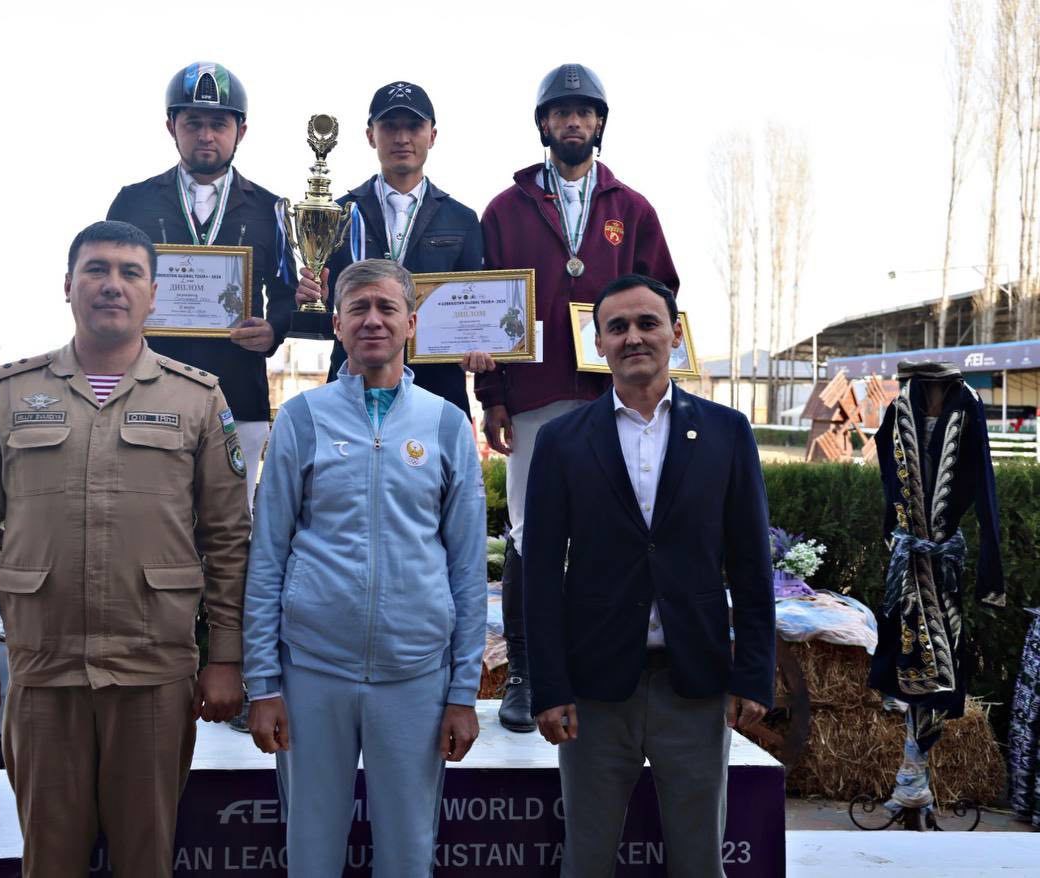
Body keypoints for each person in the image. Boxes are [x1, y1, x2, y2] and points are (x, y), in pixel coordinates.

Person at [0, 221, 250, 878]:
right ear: (68, 285)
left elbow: (228, 538)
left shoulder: (196, 397)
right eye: (97, 269)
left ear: (152, 294)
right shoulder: (11, 393)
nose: (113, 285)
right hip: (43, 671)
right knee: (50, 860)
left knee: (145, 860)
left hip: (153, 674)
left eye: (130, 272)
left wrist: (225, 657)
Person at [523, 274, 774, 877]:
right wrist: (549, 687)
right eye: (617, 327)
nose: (633, 337)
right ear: (598, 343)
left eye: (647, 323)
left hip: (694, 684)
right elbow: (540, 576)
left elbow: (750, 563)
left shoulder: (727, 432)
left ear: (675, 334)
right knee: (586, 861)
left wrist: (754, 675)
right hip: (594, 691)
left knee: (698, 863)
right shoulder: (561, 440)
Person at [244, 259, 486, 877]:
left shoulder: (446, 423)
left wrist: (463, 692)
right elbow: (268, 554)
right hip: (312, 670)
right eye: (358, 308)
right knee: (312, 854)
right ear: (337, 325)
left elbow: (466, 568)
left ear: (412, 323)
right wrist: (264, 684)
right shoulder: (302, 418)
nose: (372, 320)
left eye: (386, 308)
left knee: (407, 855)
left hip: (415, 675)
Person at [477, 63, 681, 733]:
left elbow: (664, 298)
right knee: (529, 535)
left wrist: (651, 387)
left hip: (609, 396)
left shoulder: (632, 209)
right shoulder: (505, 210)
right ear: (543, 124)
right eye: (560, 112)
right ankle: (526, 673)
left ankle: (605, 668)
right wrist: (493, 395)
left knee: (615, 529)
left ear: (599, 123)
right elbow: (484, 310)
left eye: (583, 112)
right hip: (532, 398)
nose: (572, 122)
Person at [108, 61, 296, 507]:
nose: (206, 135)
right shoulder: (132, 202)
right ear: (171, 127)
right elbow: (108, 281)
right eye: (193, 123)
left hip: (238, 392)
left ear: (241, 131)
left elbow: (288, 293)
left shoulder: (271, 209)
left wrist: (273, 330)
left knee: (231, 523)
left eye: (218, 124)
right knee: (146, 515)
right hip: (146, 390)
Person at [294, 80, 489, 417]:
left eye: (413, 126)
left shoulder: (463, 219)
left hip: (438, 393)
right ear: (371, 135)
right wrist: (313, 299)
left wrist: (477, 341)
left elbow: (475, 308)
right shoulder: (336, 214)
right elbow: (326, 319)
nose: (402, 138)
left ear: (432, 135)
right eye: (389, 126)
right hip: (353, 391)